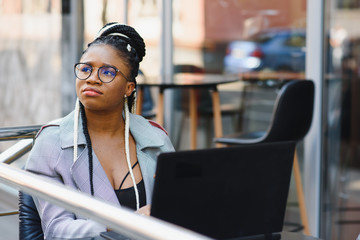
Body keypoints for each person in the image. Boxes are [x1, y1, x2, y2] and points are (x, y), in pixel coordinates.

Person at [25, 22, 174, 239]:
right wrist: (126, 223)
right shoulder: (51, 143)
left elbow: (177, 208)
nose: (92, 78)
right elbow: (56, 231)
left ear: (128, 88)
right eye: (86, 69)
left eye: (107, 72)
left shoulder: (156, 138)